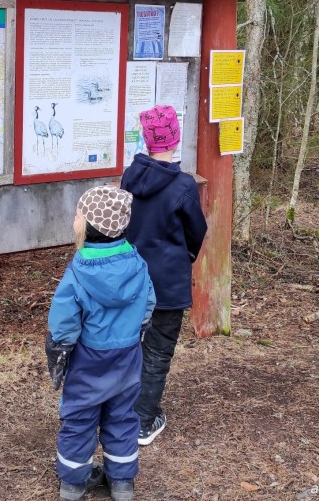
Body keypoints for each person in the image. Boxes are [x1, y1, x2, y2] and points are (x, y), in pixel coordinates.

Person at [46, 185, 155, 501]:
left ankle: (72, 484)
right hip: (127, 354)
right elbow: (149, 303)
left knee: (79, 417)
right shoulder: (138, 264)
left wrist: (60, 349)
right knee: (122, 415)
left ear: (88, 225)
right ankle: (122, 483)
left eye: (78, 214)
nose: (75, 219)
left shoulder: (79, 270)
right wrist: (136, 329)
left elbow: (64, 320)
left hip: (88, 359)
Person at [120, 104, 208, 446]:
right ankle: (143, 421)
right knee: (157, 350)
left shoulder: (130, 177)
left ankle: (121, 411)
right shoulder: (183, 186)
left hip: (131, 279)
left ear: (147, 139)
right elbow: (197, 231)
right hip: (167, 283)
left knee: (130, 345)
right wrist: (185, 257)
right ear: (175, 138)